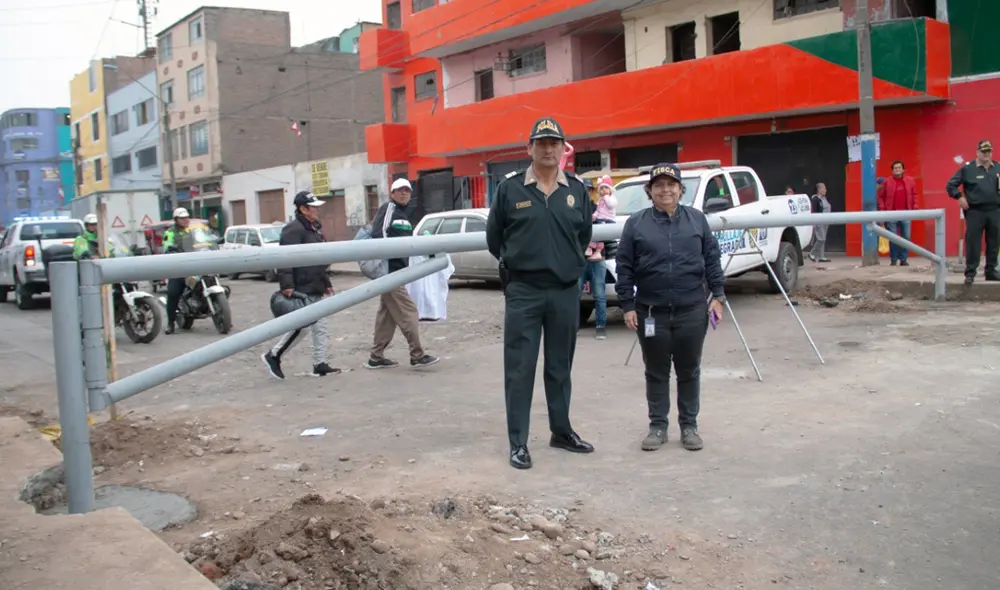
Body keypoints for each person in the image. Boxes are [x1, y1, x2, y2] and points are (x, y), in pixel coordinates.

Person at [486, 116, 595, 470]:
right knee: (520, 369)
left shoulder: (576, 190)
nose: (549, 149)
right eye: (542, 143)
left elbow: (583, 237)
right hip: (524, 292)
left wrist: (567, 264)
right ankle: (518, 442)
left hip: (564, 292)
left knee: (560, 366)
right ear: (529, 148)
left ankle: (560, 432)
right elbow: (494, 239)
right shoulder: (510, 189)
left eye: (555, 143)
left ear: (564, 149)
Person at [615, 163, 725, 452]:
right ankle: (657, 427)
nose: (666, 190)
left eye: (671, 184)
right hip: (651, 314)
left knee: (689, 370)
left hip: (692, 310)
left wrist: (718, 296)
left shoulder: (697, 220)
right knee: (656, 371)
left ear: (680, 189)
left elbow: (712, 260)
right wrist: (627, 305)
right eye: (659, 185)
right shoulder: (636, 224)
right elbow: (624, 267)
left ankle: (689, 426)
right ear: (649, 191)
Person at [261, 191, 340, 380]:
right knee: (302, 326)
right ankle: (274, 355)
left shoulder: (315, 228)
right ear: (303, 209)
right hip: (300, 286)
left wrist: (326, 282)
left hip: (315, 284)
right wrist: (286, 285)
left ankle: (319, 364)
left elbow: (320, 258)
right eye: (313, 207)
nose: (317, 210)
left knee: (320, 326)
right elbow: (285, 259)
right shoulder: (293, 230)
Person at [365, 178, 440, 369]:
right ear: (392, 193)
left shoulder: (404, 215)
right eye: (400, 190)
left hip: (398, 272)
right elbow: (379, 235)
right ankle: (417, 354)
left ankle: (376, 357)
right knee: (409, 311)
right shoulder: (389, 209)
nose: (404, 193)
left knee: (387, 316)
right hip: (390, 273)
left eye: (407, 190)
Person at [947, 140, 1000, 285]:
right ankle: (970, 272)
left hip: (995, 210)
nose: (986, 154)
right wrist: (959, 197)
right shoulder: (968, 169)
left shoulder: (997, 167)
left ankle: (991, 271)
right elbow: (951, 185)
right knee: (973, 242)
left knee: (994, 242)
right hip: (975, 211)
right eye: (983, 151)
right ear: (977, 152)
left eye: (988, 151)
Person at [406, 229, 455, 321]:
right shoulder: (414, 256)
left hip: (422, 299)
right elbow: (449, 271)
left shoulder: (414, 255)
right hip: (433, 302)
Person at [877, 160, 918, 266]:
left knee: (906, 237)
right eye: (895, 168)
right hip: (891, 214)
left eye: (899, 168)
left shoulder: (910, 181)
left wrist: (915, 207)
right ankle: (894, 260)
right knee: (893, 238)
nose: (897, 170)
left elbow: (914, 195)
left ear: (903, 169)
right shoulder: (887, 181)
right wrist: (883, 209)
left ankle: (904, 260)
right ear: (892, 170)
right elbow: (881, 197)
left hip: (906, 213)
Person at [162, 207, 195, 335]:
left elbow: (203, 240)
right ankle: (170, 323)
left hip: (194, 264)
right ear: (176, 220)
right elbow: (166, 245)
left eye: (187, 217)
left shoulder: (192, 231)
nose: (185, 220)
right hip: (178, 267)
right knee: (173, 293)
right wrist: (171, 248)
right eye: (182, 218)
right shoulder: (170, 232)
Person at [809, 182, 832, 263]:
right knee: (821, 239)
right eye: (824, 188)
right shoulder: (815, 199)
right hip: (819, 222)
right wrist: (815, 223)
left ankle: (821, 256)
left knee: (823, 239)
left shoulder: (823, 198)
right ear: (819, 189)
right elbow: (815, 212)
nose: (825, 190)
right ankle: (812, 253)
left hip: (825, 222)